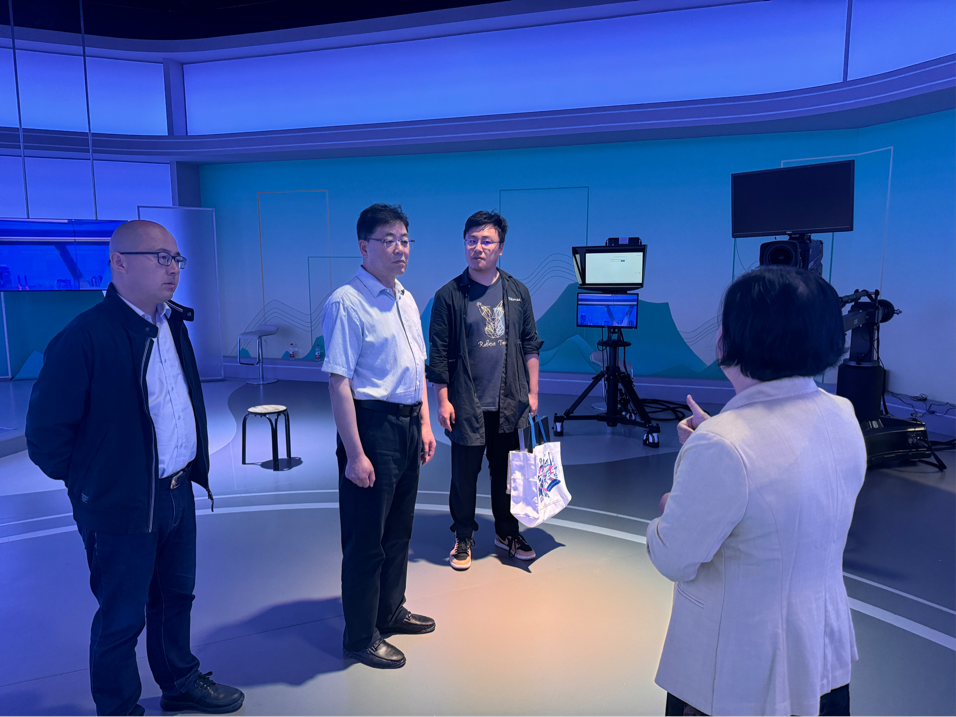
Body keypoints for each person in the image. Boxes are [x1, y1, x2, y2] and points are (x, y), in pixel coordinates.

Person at [25, 220, 243, 716]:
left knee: (176, 598)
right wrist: (95, 482)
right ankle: (120, 708)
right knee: (121, 618)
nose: (173, 268)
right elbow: (46, 436)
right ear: (119, 262)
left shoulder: (172, 324)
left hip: (177, 490)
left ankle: (179, 681)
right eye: (160, 257)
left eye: (176, 258)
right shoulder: (84, 337)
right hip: (119, 503)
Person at [647, 266, 865, 717]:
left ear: (733, 338)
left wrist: (672, 503)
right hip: (821, 659)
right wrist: (717, 440)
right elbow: (786, 483)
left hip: (736, 678)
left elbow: (674, 557)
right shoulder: (842, 413)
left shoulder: (723, 445)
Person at [321, 203, 438, 669]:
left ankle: (389, 610)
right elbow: (339, 382)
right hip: (372, 428)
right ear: (363, 246)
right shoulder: (346, 302)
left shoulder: (405, 298)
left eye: (405, 240)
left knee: (399, 531)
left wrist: (425, 423)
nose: (399, 249)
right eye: (388, 240)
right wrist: (355, 453)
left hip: (408, 424)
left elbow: (418, 367)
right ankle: (359, 635)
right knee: (366, 539)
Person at [427, 210, 543, 570]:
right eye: (472, 240)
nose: (478, 247)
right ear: (465, 244)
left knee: (507, 474)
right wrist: (442, 400)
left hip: (509, 403)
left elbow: (530, 345)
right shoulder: (448, 296)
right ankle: (463, 535)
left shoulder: (518, 292)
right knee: (463, 476)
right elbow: (438, 354)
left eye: (486, 241)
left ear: (501, 248)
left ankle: (507, 532)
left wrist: (533, 392)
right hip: (465, 405)